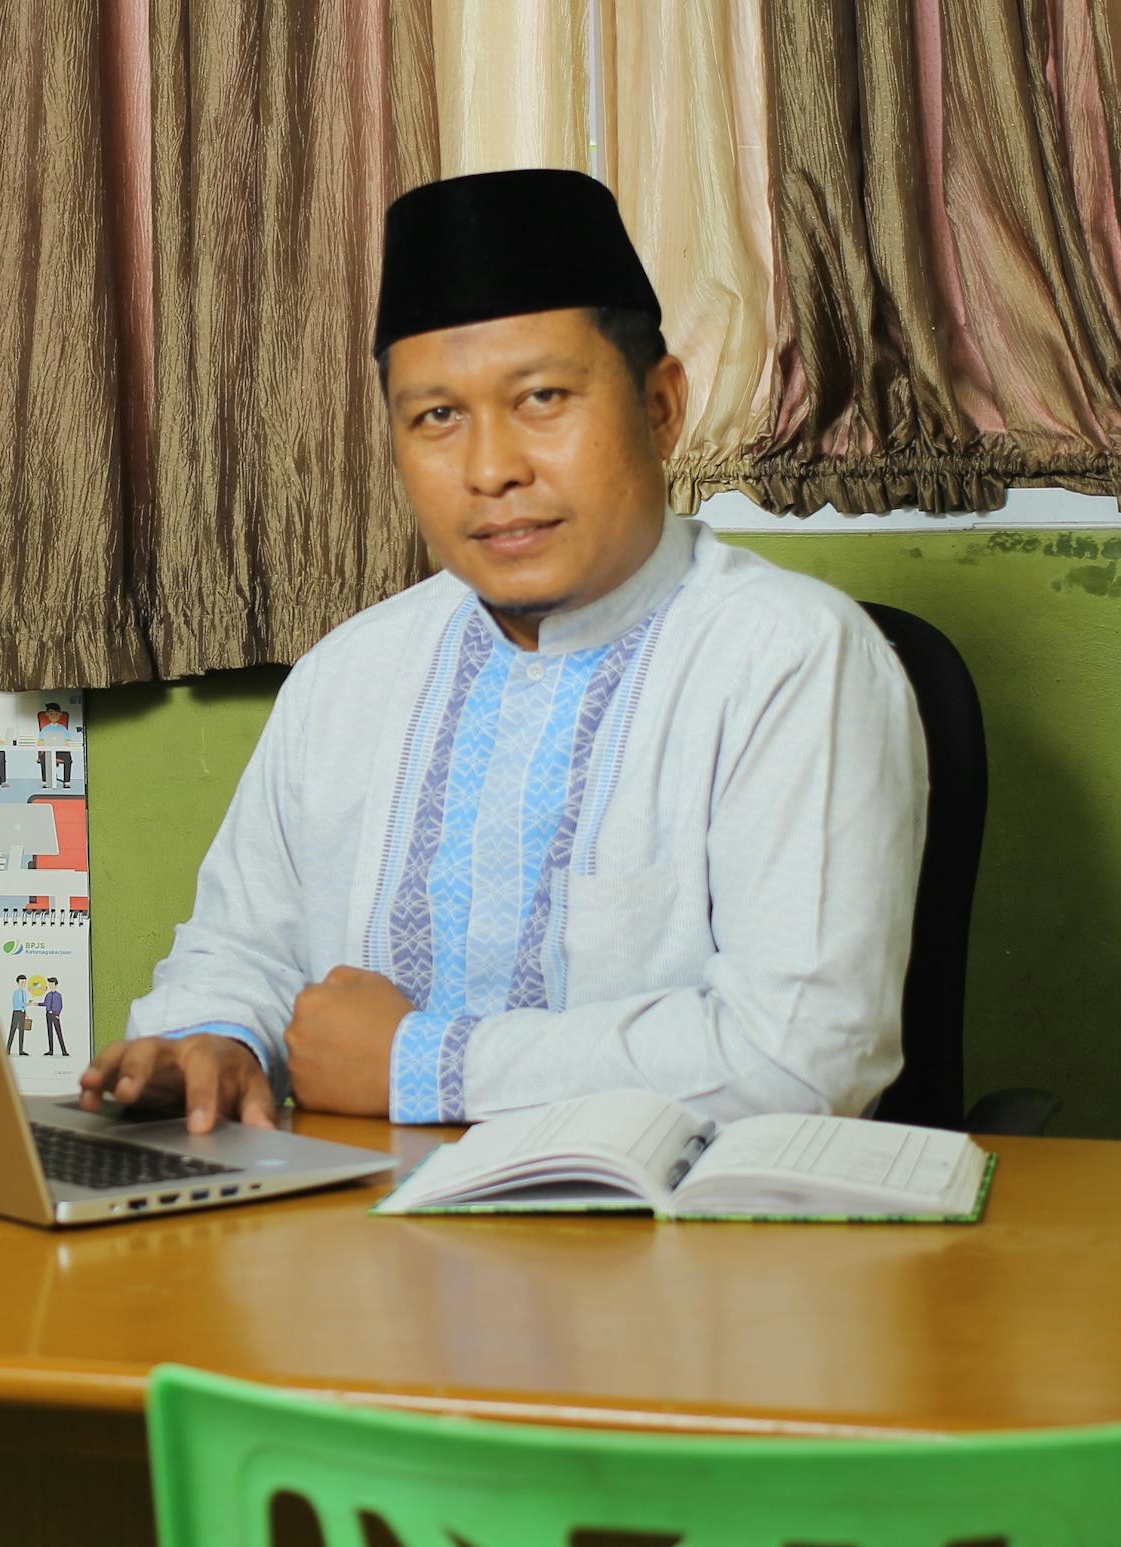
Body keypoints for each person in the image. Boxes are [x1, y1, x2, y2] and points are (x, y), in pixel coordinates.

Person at [81, 168, 926, 1136]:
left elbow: (805, 1057)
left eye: (541, 398)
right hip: (354, 1254)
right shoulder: (351, 674)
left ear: (660, 406)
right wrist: (213, 1040)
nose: (491, 470)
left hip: (680, 1259)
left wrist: (416, 1062)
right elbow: (242, 949)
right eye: (436, 417)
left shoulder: (789, 662)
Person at [6, 977, 33, 1056]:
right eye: (21, 982)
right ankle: (8, 1049)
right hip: (16, 1013)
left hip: (22, 1013)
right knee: (13, 1030)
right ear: (18, 983)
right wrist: (26, 1004)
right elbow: (17, 1003)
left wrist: (25, 1012)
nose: (23, 984)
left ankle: (21, 1050)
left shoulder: (24, 992)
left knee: (22, 1031)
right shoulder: (16, 992)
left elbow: (23, 1004)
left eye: (24, 982)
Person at [41, 983, 68, 1058]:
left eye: (52, 984)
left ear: (56, 985)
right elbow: (45, 1004)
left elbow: (60, 1005)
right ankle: (51, 1051)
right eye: (50, 984)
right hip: (48, 1014)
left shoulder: (58, 995)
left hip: (55, 1014)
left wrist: (58, 1014)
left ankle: (64, 1051)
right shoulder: (48, 995)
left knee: (59, 1032)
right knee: (49, 1032)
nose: (51, 986)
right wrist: (36, 1004)